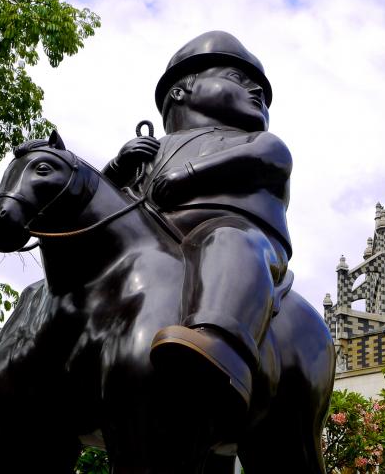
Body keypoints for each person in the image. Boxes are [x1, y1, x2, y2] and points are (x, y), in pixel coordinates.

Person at [103, 31, 292, 418]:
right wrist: (115, 169)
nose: (256, 90)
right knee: (46, 289)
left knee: (225, 240)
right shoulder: (151, 151)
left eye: (258, 86)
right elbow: (104, 208)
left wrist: (188, 175)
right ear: (181, 91)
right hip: (154, 246)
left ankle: (221, 345)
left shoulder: (258, 140)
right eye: (238, 79)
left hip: (238, 238)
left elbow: (268, 157)